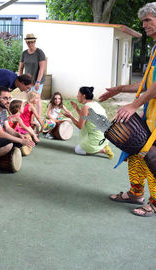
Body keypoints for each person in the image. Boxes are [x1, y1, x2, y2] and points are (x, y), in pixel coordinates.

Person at [99, 2, 156, 217]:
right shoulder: (155, 48)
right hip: (150, 115)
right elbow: (148, 84)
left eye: (148, 20)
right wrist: (120, 89)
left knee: (152, 157)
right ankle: (135, 193)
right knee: (135, 153)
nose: (144, 26)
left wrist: (134, 104)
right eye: (143, 22)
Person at [64, 86, 114, 159]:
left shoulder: (85, 107)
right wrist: (77, 109)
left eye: (78, 94)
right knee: (85, 127)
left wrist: (70, 116)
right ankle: (102, 145)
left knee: (78, 149)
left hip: (97, 138)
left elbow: (80, 126)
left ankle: (103, 150)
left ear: (83, 96)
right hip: (105, 137)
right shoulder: (95, 104)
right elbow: (86, 117)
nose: (77, 96)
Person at [18, 33, 46, 118]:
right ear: (26, 43)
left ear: (34, 42)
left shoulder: (39, 52)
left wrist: (38, 82)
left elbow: (42, 68)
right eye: (28, 42)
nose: (30, 44)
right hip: (27, 81)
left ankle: (38, 119)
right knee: (29, 100)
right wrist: (21, 81)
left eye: (32, 42)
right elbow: (20, 68)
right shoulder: (24, 53)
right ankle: (29, 119)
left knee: (37, 100)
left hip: (38, 80)